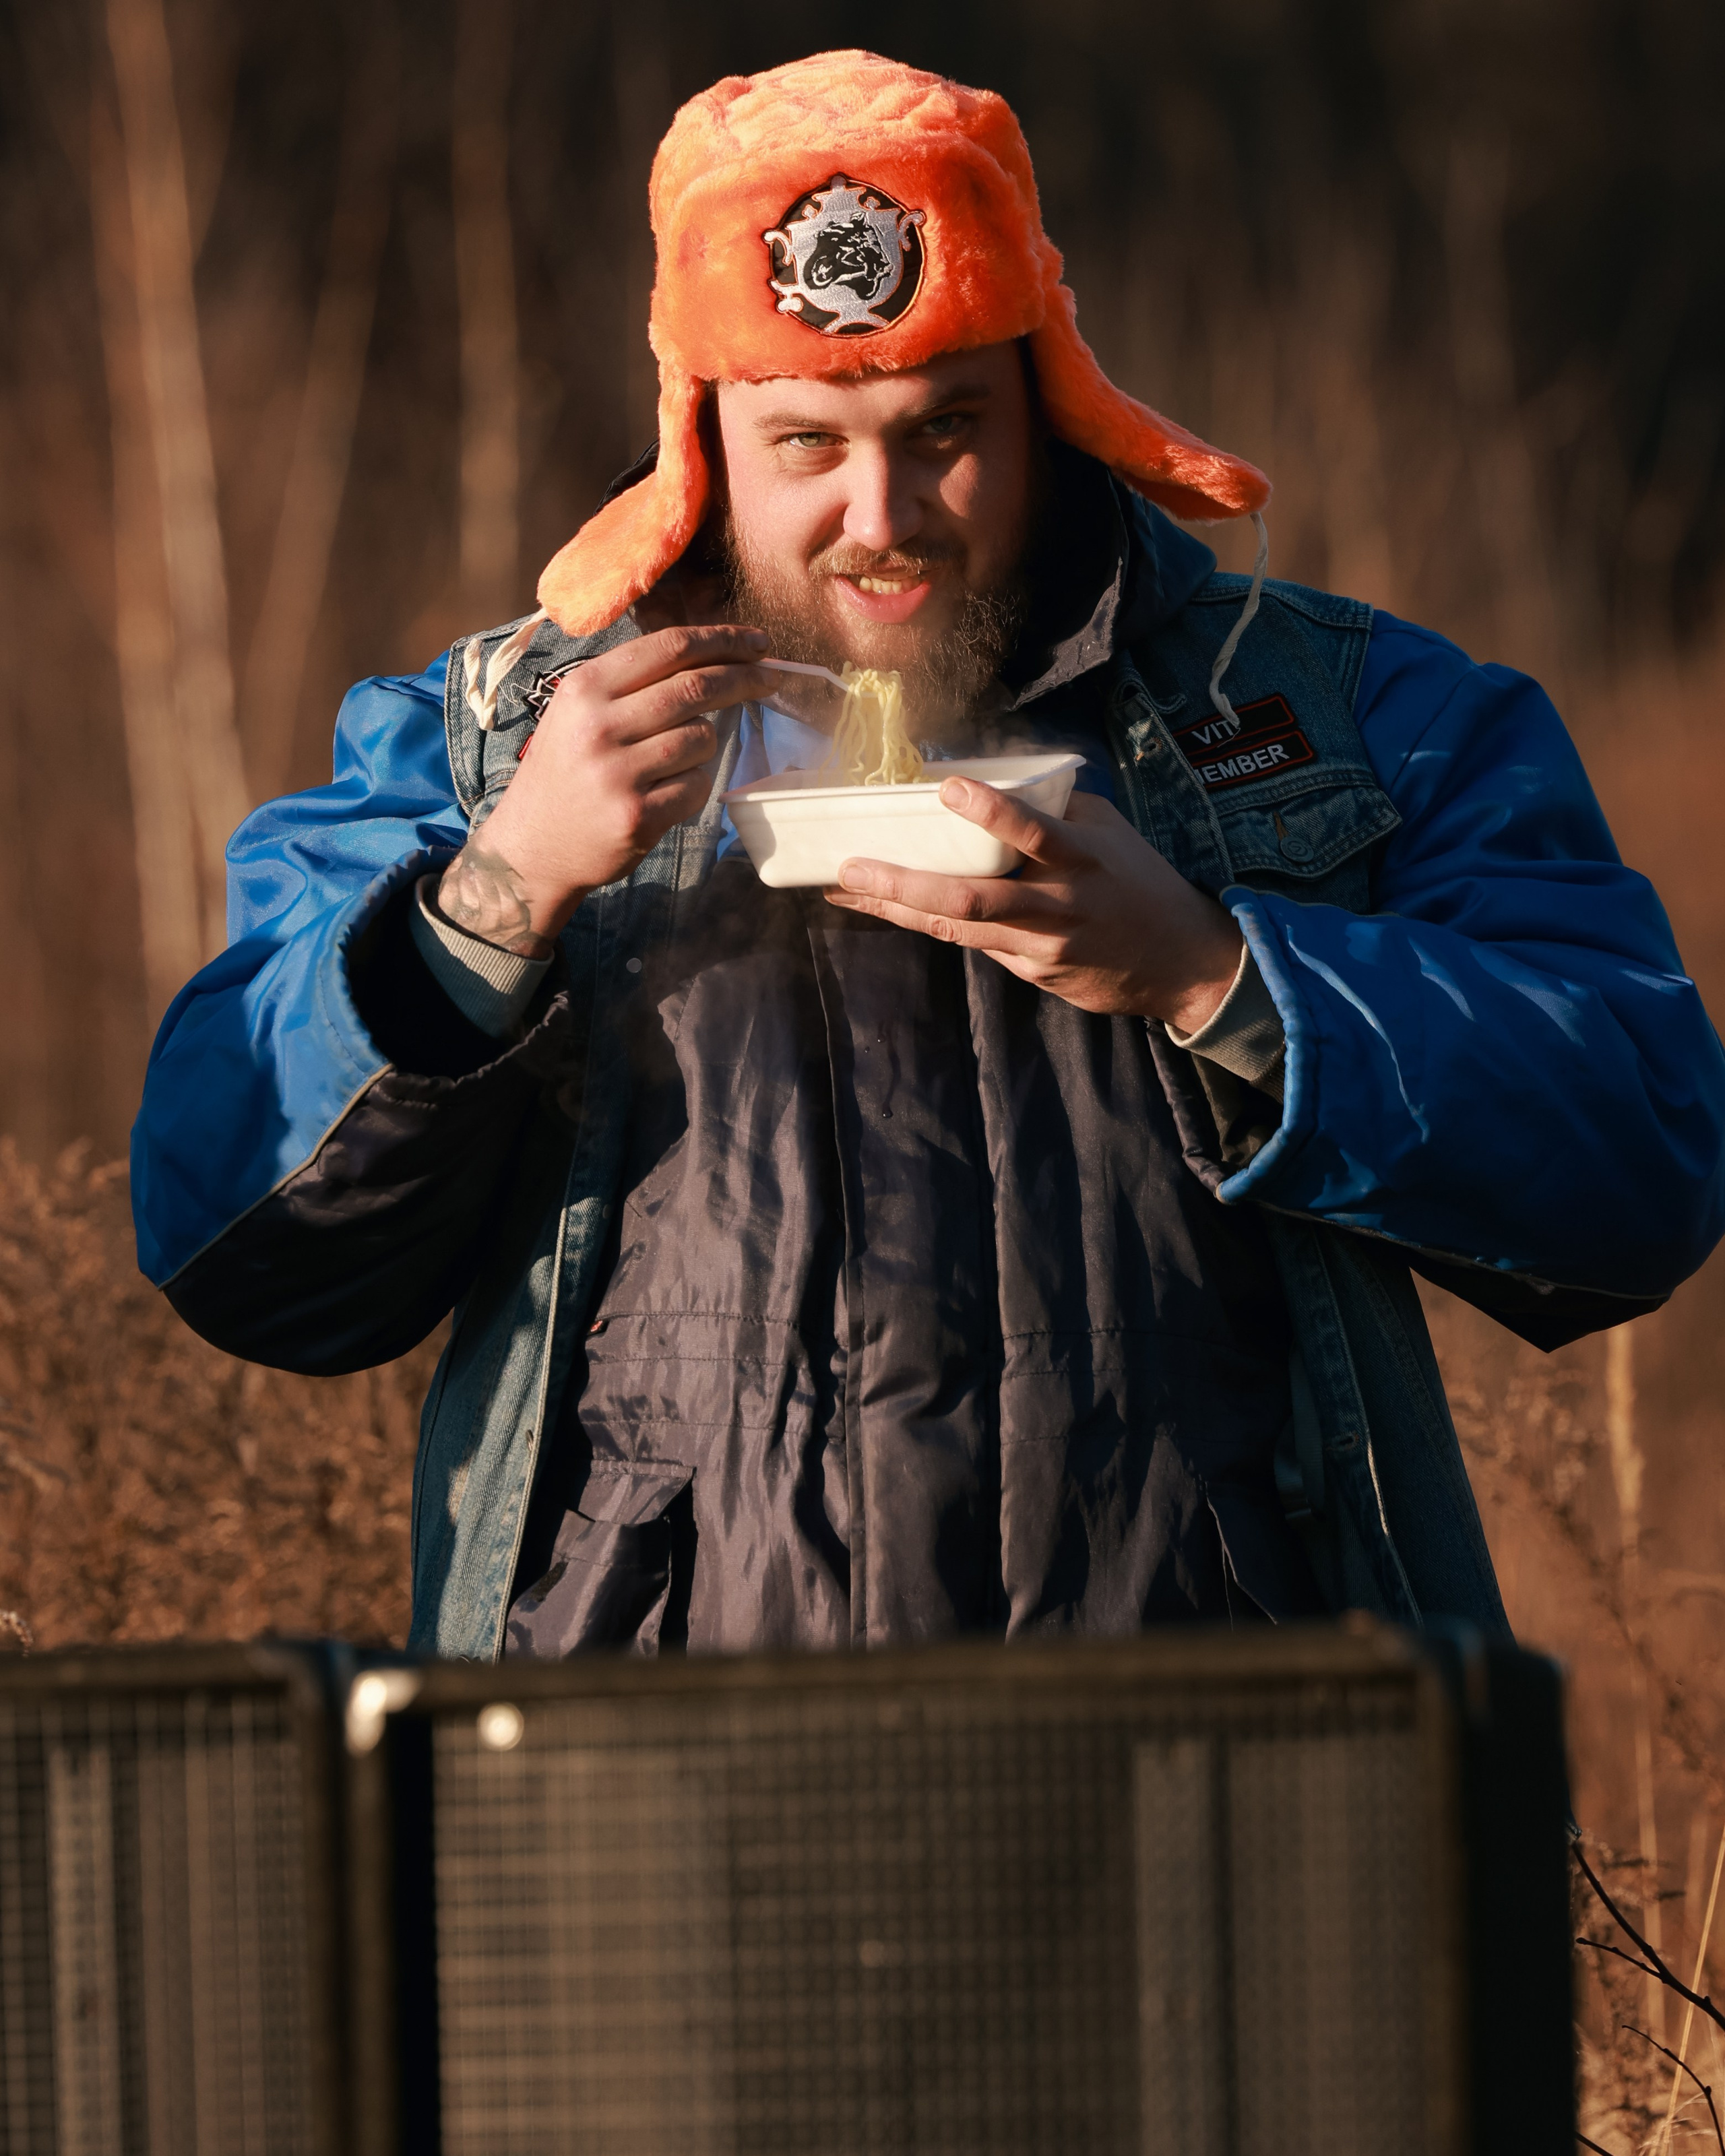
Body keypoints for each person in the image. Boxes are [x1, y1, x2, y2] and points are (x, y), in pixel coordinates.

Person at [132, 52, 1725, 1662]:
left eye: (943, 426)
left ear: (1048, 400)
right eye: (806, 444)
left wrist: (1213, 975)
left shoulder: (1334, 710)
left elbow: (1648, 1152)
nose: (879, 514)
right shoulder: (478, 752)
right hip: (638, 1809)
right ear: (700, 444)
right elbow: (234, 1249)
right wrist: (497, 899)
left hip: (1237, 1791)